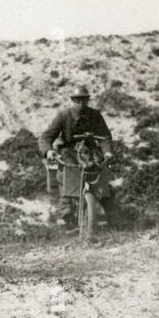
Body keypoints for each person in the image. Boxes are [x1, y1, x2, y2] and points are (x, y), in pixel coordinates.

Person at [39, 85, 114, 228]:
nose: (81, 103)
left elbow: (105, 137)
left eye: (84, 100)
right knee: (65, 177)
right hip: (69, 152)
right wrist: (48, 151)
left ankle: (113, 215)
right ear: (73, 100)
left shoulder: (95, 115)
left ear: (88, 100)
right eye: (78, 100)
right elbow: (46, 137)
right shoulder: (64, 116)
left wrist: (107, 151)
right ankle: (66, 214)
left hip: (90, 152)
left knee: (102, 177)